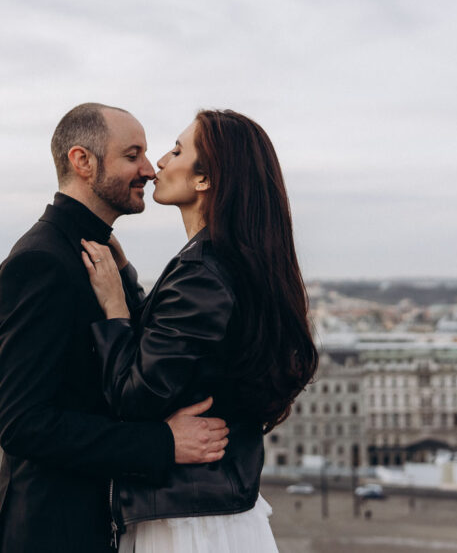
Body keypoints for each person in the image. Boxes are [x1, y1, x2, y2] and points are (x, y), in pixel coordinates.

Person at [0, 103, 231, 553]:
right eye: (132, 154)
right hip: (54, 534)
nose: (149, 169)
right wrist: (162, 442)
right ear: (82, 162)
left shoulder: (93, 254)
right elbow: (22, 423)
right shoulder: (42, 262)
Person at [81, 109, 319, 552]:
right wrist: (129, 279)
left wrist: (114, 307)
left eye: (176, 150)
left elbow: (135, 396)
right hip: (216, 513)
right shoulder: (231, 262)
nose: (158, 165)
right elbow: (179, 355)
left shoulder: (203, 271)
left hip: (186, 525)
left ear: (205, 179)